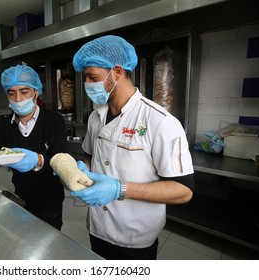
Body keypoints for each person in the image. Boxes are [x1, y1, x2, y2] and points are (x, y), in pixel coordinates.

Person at [69, 35, 195, 259]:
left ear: (116, 72)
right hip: (97, 227)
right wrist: (80, 170)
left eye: (92, 77)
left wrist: (120, 189)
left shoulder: (159, 121)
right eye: (85, 78)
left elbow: (183, 190)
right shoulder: (95, 117)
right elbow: (91, 156)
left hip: (135, 237)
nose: (87, 84)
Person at [0, 65, 67, 230]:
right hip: (21, 194)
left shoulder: (53, 121)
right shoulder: (4, 125)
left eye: (24, 91)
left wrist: (38, 161)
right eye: (12, 93)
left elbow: (61, 160)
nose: (18, 98)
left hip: (50, 198)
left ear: (36, 92)